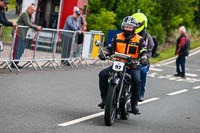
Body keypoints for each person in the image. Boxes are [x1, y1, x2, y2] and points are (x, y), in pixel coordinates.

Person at [98, 16, 149, 115]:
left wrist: (144, 58)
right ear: (123, 27)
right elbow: (110, 48)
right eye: (126, 27)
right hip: (118, 63)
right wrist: (104, 54)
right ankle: (105, 99)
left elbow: (143, 50)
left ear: (134, 28)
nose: (128, 29)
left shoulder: (140, 39)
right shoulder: (117, 37)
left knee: (137, 81)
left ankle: (134, 105)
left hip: (132, 66)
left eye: (130, 27)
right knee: (103, 74)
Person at [132, 13, 154, 101]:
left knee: (143, 71)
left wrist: (144, 58)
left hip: (141, 61)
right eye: (135, 24)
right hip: (129, 60)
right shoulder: (129, 34)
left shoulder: (147, 37)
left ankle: (141, 93)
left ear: (143, 24)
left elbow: (149, 50)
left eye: (138, 24)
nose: (136, 26)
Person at [12, 4, 42, 68]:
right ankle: (14, 63)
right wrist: (36, 27)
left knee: (21, 49)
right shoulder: (25, 14)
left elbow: (32, 23)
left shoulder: (30, 16)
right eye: (32, 10)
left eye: (34, 11)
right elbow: (28, 24)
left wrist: (37, 27)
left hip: (23, 34)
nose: (33, 12)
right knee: (17, 48)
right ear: (28, 9)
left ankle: (16, 62)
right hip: (18, 33)